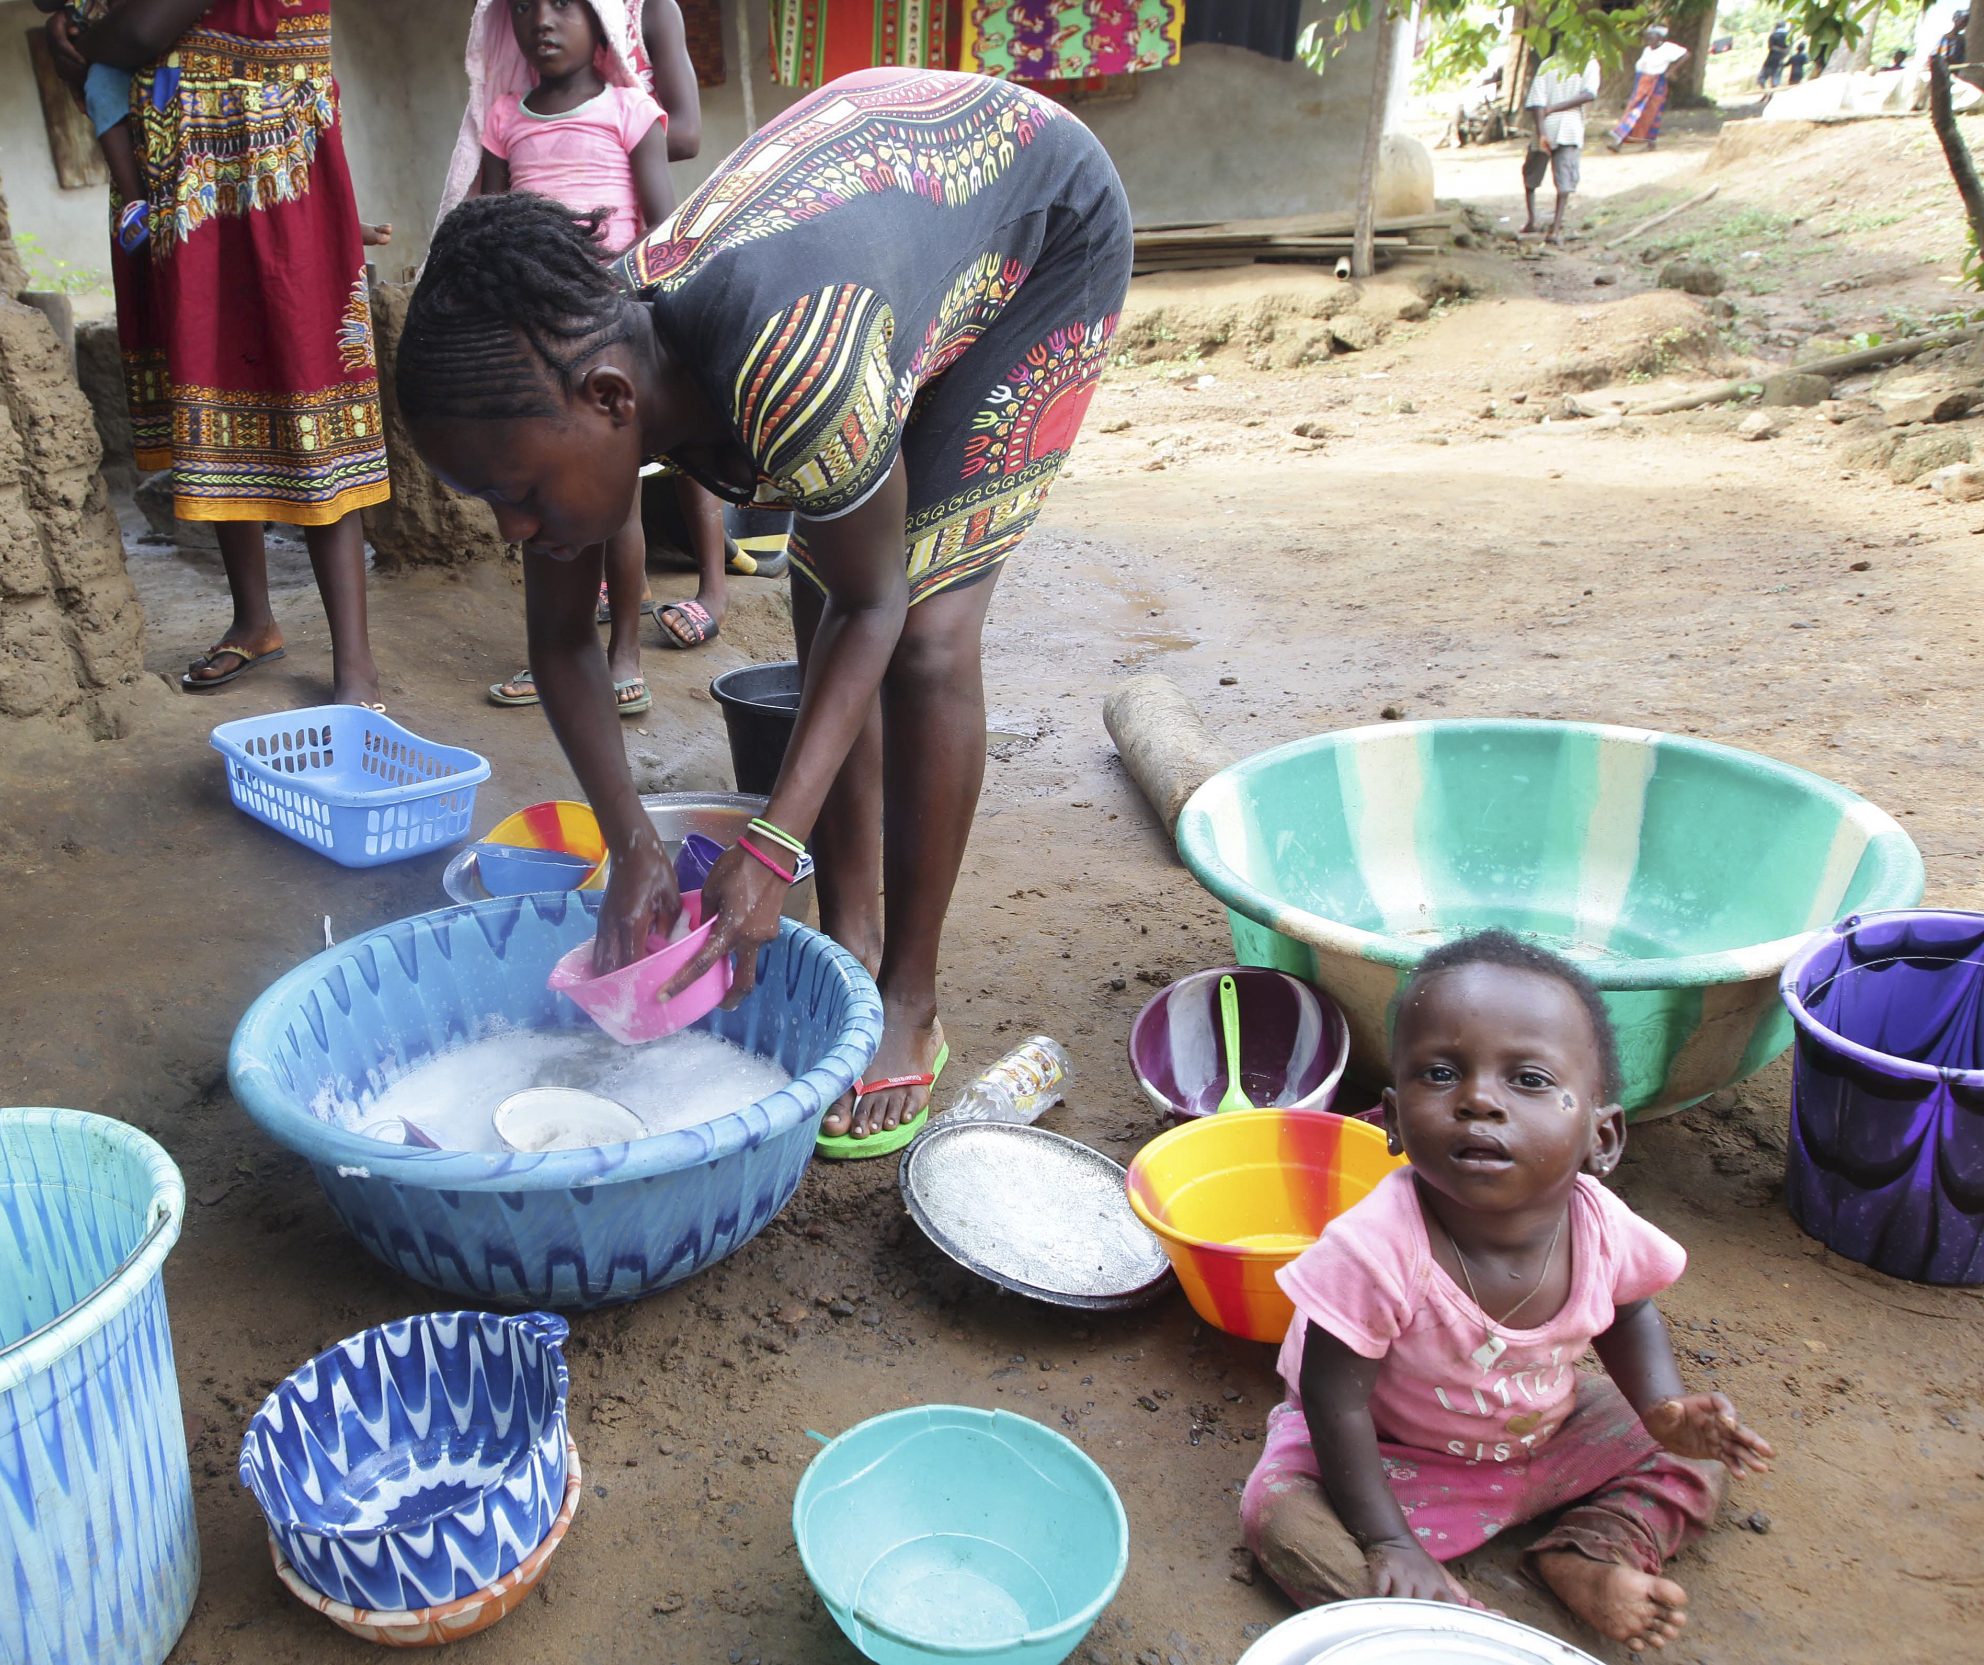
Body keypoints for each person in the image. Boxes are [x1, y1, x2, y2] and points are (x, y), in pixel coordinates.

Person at [395, 69, 1131, 1153]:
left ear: (610, 404)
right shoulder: (568, 370)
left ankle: (910, 998)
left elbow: (875, 604)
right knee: (824, 585)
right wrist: (632, 844)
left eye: (517, 495)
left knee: (920, 631)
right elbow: (558, 644)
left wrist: (773, 843)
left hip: (1037, 225)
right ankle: (852, 938)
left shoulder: (791, 368)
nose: (511, 529)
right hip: (868, 262)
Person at [1241, 931, 1775, 1654]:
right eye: (1440, 1072)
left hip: (1542, 1432)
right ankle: (1454, 1628)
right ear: (1393, 1120)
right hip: (1390, 1455)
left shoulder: (1600, 1224)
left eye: (1527, 1079)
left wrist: (1663, 1410)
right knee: (1282, 1518)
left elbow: (1628, 1309)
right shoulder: (1376, 1244)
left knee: (1699, 1453)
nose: (1479, 1100)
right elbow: (1333, 1397)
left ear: (1602, 1136)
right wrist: (1389, 1538)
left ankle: (1591, 1555)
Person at [50, 0, 390, 705]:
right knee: (215, 388)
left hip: (271, 168)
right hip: (189, 169)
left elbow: (140, 30)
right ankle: (253, 621)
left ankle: (355, 665)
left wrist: (85, 38)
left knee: (310, 399)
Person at [457, 0, 678, 717]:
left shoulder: (630, 110)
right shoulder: (504, 117)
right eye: (523, 8)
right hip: (529, 343)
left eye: (562, 6)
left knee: (621, 503)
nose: (540, 22)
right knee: (539, 501)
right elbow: (488, 226)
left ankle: (623, 655)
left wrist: (643, 322)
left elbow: (662, 229)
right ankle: (552, 650)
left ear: (602, 21)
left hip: (605, 335)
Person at [35, 1, 154, 250]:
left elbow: (141, 33)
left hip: (153, 35)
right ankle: (136, 203)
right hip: (109, 53)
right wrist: (60, 21)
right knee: (100, 93)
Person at [1521, 54, 1600, 241]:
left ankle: (1532, 220)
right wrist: (1556, 108)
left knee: (1531, 175)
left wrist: (1542, 133)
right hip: (1570, 126)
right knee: (1564, 180)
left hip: (1545, 124)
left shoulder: (1548, 64)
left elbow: (1537, 102)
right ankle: (1555, 231)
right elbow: (1589, 94)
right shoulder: (1589, 62)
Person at [1609, 24, 1689, 152]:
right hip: (1642, 83)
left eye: (1652, 36)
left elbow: (1686, 55)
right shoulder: (1647, 50)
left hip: (1657, 83)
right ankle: (1619, 142)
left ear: (1660, 37)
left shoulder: (1668, 48)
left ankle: (1650, 143)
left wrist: (1671, 71)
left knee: (1652, 112)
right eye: (1648, 36)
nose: (1649, 38)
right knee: (1633, 111)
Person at [1755, 20, 1790, 90]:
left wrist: (1777, 48)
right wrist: (1783, 52)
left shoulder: (1773, 35)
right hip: (1780, 60)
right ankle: (1771, 94)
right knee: (1775, 80)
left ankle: (1766, 92)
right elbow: (1787, 49)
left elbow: (1770, 47)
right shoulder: (1788, 35)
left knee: (1761, 78)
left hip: (1771, 59)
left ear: (1776, 26)